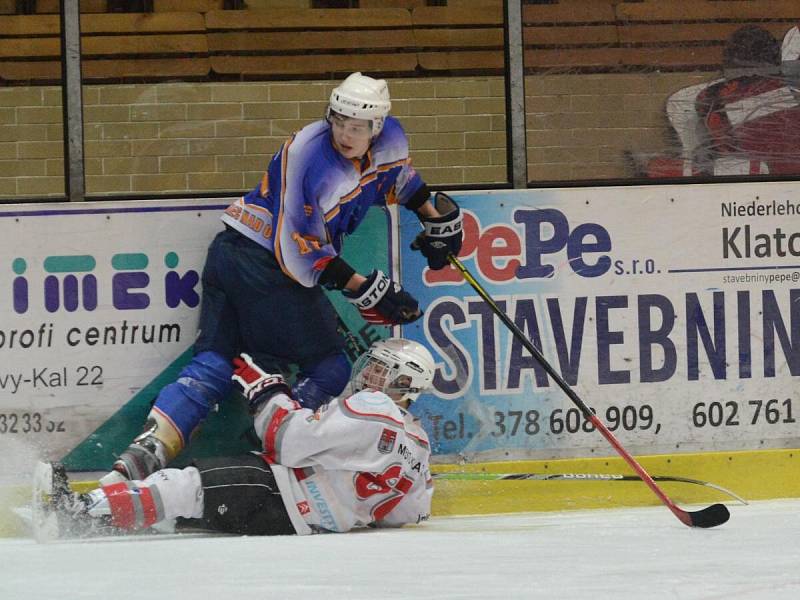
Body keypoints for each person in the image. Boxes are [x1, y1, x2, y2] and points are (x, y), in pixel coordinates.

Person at [101, 72, 462, 486]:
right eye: (339, 121)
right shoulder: (308, 155)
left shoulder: (392, 138)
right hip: (263, 264)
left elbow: (398, 177)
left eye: (357, 127)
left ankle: (135, 461)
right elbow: (298, 252)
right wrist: (366, 289)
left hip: (231, 255)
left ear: (377, 127)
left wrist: (433, 218)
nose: (345, 133)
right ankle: (280, 459)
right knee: (328, 366)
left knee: (216, 362)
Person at [43, 338, 435, 538]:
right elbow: (407, 513)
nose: (370, 375)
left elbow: (288, 441)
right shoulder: (418, 444)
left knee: (183, 486)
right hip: (302, 521)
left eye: (382, 370)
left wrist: (266, 391)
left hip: (279, 492)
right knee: (188, 506)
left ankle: (73, 511)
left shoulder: (374, 406)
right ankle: (102, 514)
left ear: (404, 383)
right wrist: (350, 505)